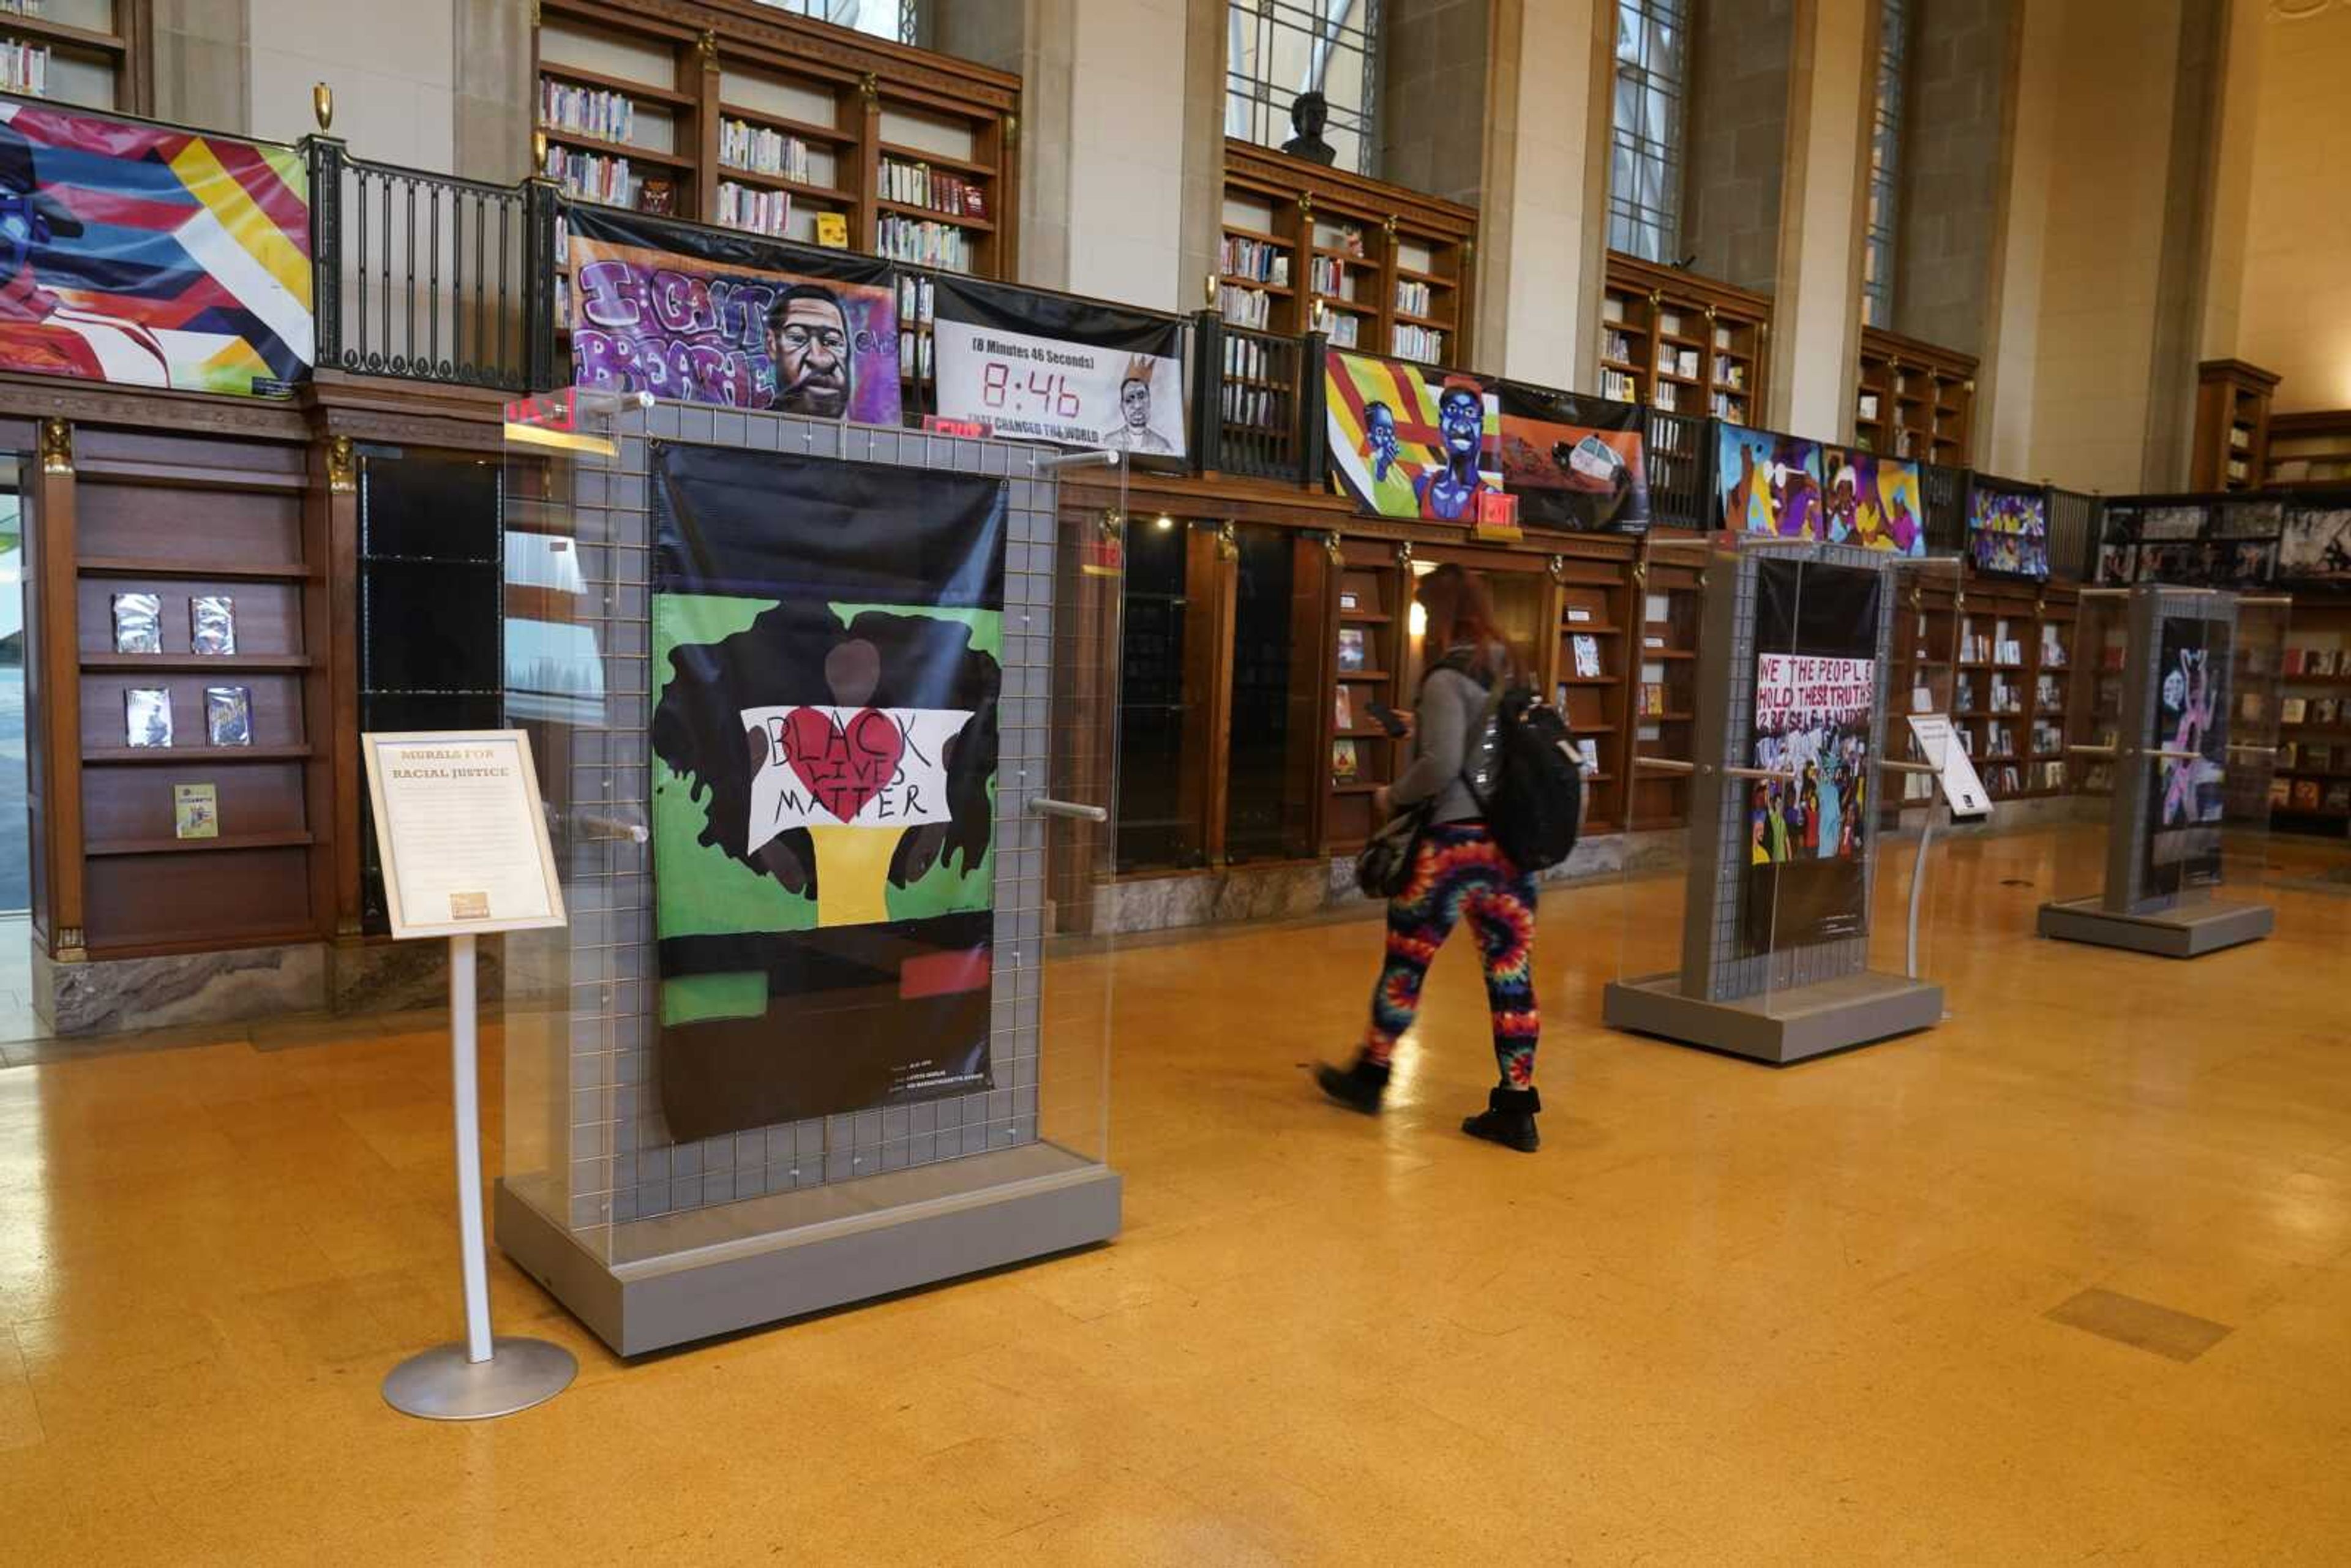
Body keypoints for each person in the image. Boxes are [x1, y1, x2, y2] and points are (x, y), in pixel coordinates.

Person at [1316, 564, 1543, 1153]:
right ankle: (1517, 1105)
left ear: (1440, 614)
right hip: (1512, 854)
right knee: (1511, 973)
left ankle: (1371, 1073)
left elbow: (1442, 766)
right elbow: (1494, 744)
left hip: (1451, 849)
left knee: (1407, 964)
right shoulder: (1518, 669)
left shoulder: (1446, 677)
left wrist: (1391, 795)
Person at [765, 284, 853, 418]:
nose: (820, 360)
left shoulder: (871, 438)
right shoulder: (752, 430)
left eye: (833, 342)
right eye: (798, 338)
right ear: (772, 346)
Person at [1413, 380, 1490, 522]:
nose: (1461, 425)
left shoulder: (1490, 498)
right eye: (1452, 410)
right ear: (1441, 422)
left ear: (1481, 426)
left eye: (1470, 412)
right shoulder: (1421, 484)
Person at [1102, 353, 1173, 453]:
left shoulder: (1162, 446)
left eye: (1142, 397)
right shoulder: (1109, 442)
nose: (1137, 406)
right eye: (1129, 400)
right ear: (1122, 407)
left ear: (1149, 401)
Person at [1281, 90, 1337, 165]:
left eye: (1321, 113)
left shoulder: (1329, 152)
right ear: (1299, 119)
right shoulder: (1289, 148)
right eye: (1311, 113)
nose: (1318, 118)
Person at [1363, 400, 1400, 481]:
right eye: (1381, 432)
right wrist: (1381, 467)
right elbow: (1378, 479)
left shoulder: (1399, 467)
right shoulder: (1369, 461)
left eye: (1390, 431)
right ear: (1370, 439)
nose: (1388, 438)